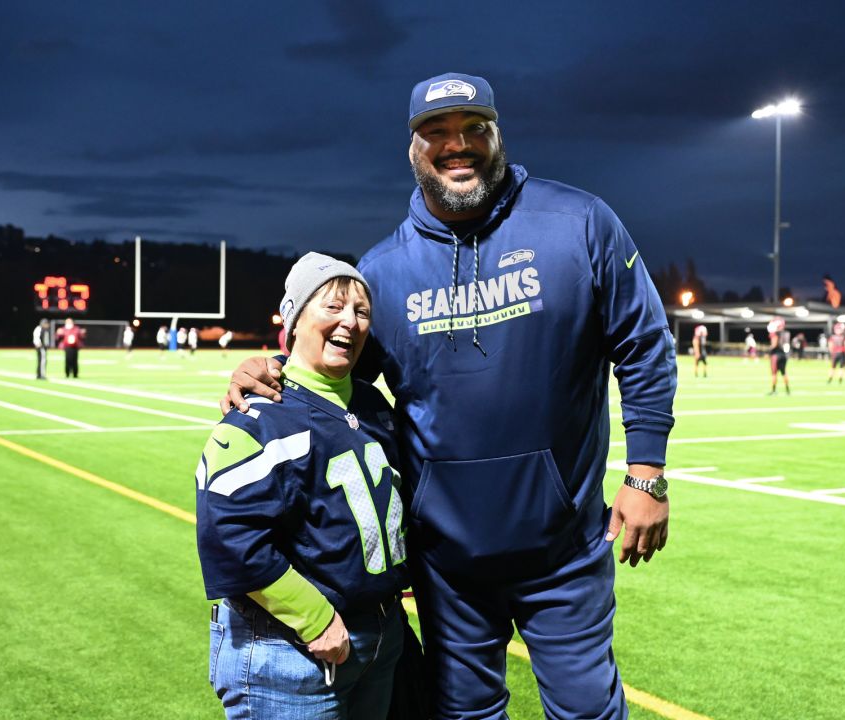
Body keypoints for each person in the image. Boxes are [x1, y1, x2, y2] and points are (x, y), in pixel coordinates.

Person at [221, 72, 676, 719]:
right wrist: (267, 371)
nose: (456, 145)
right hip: (449, 565)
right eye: (437, 133)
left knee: (588, 714)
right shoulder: (383, 271)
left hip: (563, 552)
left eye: (472, 130)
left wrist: (648, 473)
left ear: (497, 135)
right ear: (414, 150)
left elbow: (644, 343)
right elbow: (334, 370)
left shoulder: (579, 224)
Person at [198, 253, 408, 719]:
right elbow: (228, 534)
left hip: (377, 639)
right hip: (291, 651)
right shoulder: (262, 413)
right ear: (294, 319)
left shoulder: (372, 405)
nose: (349, 322)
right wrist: (314, 620)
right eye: (331, 307)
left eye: (361, 312)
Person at [767, 316, 790, 395]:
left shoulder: (775, 333)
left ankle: (774, 390)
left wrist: (768, 351)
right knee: (784, 373)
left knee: (774, 374)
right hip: (784, 355)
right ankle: (788, 390)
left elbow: (774, 344)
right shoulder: (786, 333)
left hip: (776, 355)